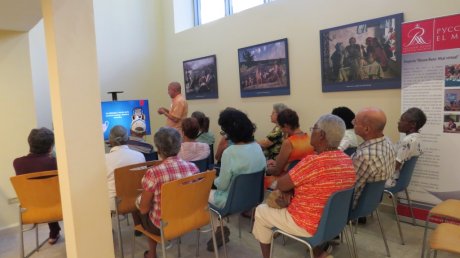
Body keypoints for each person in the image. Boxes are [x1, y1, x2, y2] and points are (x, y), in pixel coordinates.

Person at [253, 114, 356, 258]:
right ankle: (320, 253)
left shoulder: (313, 161)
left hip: (307, 224)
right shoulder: (347, 161)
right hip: (334, 222)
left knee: (260, 211)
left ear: (321, 135)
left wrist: (288, 191)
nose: (310, 131)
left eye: (313, 128)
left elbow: (281, 184)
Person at [208, 108, 266, 251]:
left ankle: (220, 228)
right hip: (252, 200)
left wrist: (212, 179)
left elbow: (222, 186)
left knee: (205, 195)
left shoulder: (230, 153)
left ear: (230, 133)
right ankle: (222, 227)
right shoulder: (257, 147)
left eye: (224, 132)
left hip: (231, 201)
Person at [136, 127, 199, 258]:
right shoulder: (193, 168)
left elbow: (143, 209)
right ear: (180, 145)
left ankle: (152, 253)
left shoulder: (153, 173)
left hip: (163, 226)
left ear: (158, 150)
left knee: (141, 208)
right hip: (187, 218)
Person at [13, 127, 62, 245]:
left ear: (29, 143)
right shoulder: (55, 162)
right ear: (51, 146)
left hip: (32, 211)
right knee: (51, 194)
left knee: (42, 194)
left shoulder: (17, 163)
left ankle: (54, 231)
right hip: (59, 208)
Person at [352, 107, 395, 209]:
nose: (352, 123)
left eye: (355, 121)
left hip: (356, 205)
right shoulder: (387, 142)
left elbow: (349, 188)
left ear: (366, 129)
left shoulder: (364, 156)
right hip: (373, 200)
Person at [265, 108, 314, 188]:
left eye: (281, 127)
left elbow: (277, 171)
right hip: (304, 180)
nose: (281, 130)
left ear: (286, 126)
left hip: (288, 181)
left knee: (261, 181)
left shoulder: (289, 142)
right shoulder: (309, 138)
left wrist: (265, 168)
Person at [106, 125, 146, 211]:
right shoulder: (140, 156)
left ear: (110, 141)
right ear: (127, 139)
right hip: (136, 199)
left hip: (114, 203)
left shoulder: (105, 159)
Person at [386, 108, 427, 187]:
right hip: (402, 181)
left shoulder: (408, 141)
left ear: (413, 124)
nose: (398, 122)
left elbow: (395, 166)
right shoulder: (417, 138)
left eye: (402, 120)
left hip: (391, 180)